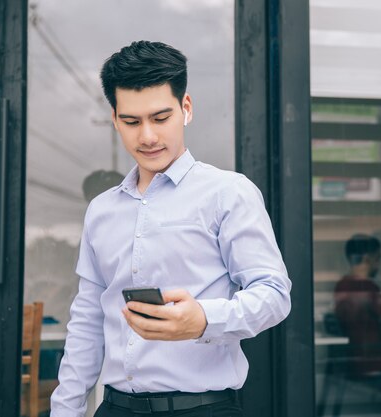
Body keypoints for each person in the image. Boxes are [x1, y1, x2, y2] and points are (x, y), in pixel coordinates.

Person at [50, 41, 292, 417]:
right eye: (131, 121)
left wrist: (204, 320)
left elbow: (274, 295)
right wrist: (65, 410)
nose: (146, 136)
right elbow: (88, 319)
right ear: (114, 119)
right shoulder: (101, 211)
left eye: (160, 118)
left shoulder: (228, 193)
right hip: (115, 408)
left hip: (203, 408)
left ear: (186, 109)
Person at [334, 234, 381, 376]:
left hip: (355, 358)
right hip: (376, 361)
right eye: (378, 258)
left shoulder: (341, 285)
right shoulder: (367, 288)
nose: (378, 264)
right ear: (367, 259)